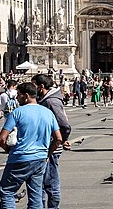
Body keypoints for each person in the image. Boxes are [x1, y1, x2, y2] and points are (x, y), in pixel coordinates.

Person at [0, 82, 62, 209]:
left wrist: (9, 150)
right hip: (40, 159)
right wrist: (47, 154)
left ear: (26, 96)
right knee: (36, 196)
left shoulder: (17, 112)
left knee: (7, 192)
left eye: (19, 95)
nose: (16, 98)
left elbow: (1, 138)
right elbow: (58, 138)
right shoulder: (48, 113)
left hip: (19, 158)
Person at [31, 74, 72, 209]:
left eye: (34, 85)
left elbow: (64, 125)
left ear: (41, 86)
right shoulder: (46, 99)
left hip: (50, 147)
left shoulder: (51, 101)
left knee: (49, 182)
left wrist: (61, 140)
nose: (33, 88)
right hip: (46, 145)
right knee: (42, 182)